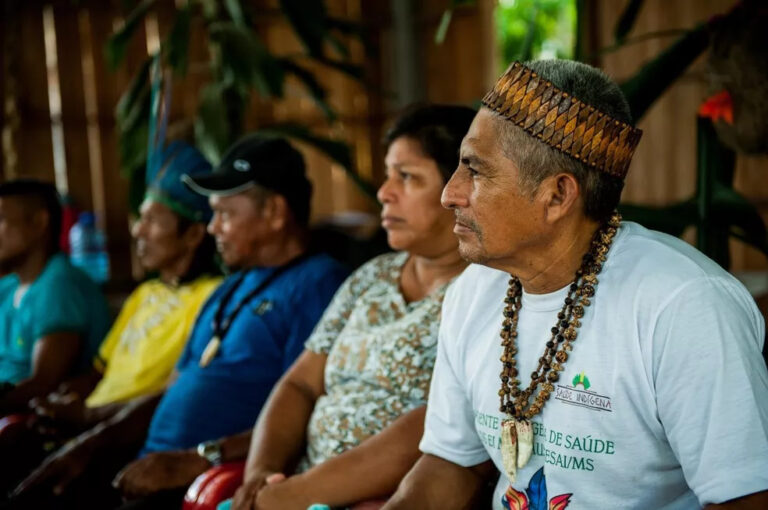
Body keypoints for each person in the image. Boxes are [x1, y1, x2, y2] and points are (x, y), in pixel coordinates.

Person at [384, 60, 768, 510]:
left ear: (558, 196)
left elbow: (743, 498)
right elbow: (452, 463)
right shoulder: (475, 291)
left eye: (475, 170)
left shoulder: (684, 305)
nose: (451, 193)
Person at [114, 104, 475, 510]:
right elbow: (299, 384)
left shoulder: (483, 291)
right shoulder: (372, 276)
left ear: (459, 188)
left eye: (406, 177)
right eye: (388, 174)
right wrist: (259, 473)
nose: (383, 192)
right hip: (292, 485)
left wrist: (291, 494)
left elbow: (439, 424)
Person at [10, 136, 349, 510]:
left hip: (201, 480)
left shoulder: (319, 285)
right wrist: (87, 446)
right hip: (148, 465)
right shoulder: (230, 288)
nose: (213, 228)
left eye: (226, 214)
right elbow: (170, 391)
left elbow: (308, 412)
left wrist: (201, 458)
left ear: (274, 212)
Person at [30, 141, 221, 432]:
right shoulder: (146, 293)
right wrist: (67, 395)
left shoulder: (213, 297)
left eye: (152, 220)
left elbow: (178, 393)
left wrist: (87, 416)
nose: (137, 230)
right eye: (141, 218)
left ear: (194, 234)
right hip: (93, 420)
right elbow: (101, 371)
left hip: (130, 429)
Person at [0, 179, 109, 416]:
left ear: (39, 222)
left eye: (1, 220)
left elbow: (43, 384)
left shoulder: (60, 285)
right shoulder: (9, 288)